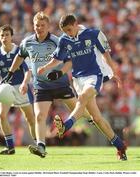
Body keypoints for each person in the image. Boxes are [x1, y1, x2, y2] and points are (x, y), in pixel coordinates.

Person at [3, 12, 98, 158]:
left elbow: (69, 60)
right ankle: (41, 146)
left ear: (48, 27)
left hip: (60, 85)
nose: (39, 28)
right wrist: (10, 72)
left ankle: (91, 118)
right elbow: (20, 56)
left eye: (42, 25)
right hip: (41, 86)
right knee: (40, 116)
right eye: (37, 25)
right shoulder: (27, 42)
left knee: (77, 107)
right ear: (33, 26)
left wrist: (59, 73)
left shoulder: (57, 41)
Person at [38, 14, 127, 160]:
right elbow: (57, 59)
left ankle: (66, 126)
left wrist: (113, 72)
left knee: (83, 97)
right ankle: (120, 146)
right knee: (96, 118)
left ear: (75, 24)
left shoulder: (93, 34)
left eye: (69, 29)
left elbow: (106, 54)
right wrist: (45, 67)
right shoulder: (64, 40)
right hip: (78, 80)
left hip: (94, 76)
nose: (68, 33)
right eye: (65, 31)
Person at [0, 24, 36, 155]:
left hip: (21, 87)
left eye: (7, 35)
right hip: (5, 89)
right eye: (2, 35)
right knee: (2, 116)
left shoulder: (20, 51)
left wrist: (25, 83)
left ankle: (39, 144)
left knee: (30, 118)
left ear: (11, 36)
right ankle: (10, 147)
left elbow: (28, 71)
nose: (4, 37)